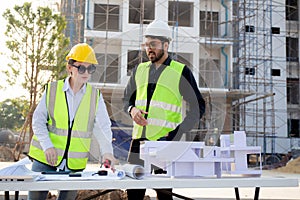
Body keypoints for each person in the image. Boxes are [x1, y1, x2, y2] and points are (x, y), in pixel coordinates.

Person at [123, 19, 206, 200]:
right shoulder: (139, 70)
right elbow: (126, 99)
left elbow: (198, 106)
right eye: (146, 44)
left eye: (153, 44)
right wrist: (132, 110)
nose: (149, 48)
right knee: (133, 194)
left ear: (166, 44)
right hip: (138, 144)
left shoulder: (180, 71)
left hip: (164, 144)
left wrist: (178, 131)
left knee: (164, 195)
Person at [27, 43, 117, 200]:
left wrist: (107, 152)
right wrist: (47, 146)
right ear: (70, 67)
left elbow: (103, 128)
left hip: (74, 164)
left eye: (91, 69)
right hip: (44, 159)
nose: (86, 73)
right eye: (81, 68)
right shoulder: (52, 89)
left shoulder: (95, 96)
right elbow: (38, 121)